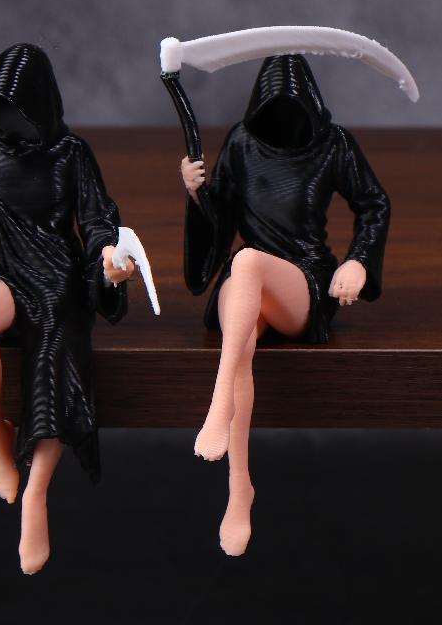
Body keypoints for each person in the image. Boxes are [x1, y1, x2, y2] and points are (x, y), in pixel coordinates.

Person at [0, 43, 134, 574]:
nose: (9, 118)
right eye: (0, 106)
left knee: (55, 367)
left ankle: (36, 493)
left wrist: (109, 260)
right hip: (8, 272)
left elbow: (99, 220)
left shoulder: (72, 153)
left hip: (61, 285)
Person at [180, 53, 390, 556]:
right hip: (245, 286)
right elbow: (222, 215)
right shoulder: (242, 142)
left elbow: (374, 204)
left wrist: (358, 261)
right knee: (243, 333)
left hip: (302, 280)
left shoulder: (334, 144)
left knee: (248, 261)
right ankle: (239, 488)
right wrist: (197, 193)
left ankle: (218, 404)